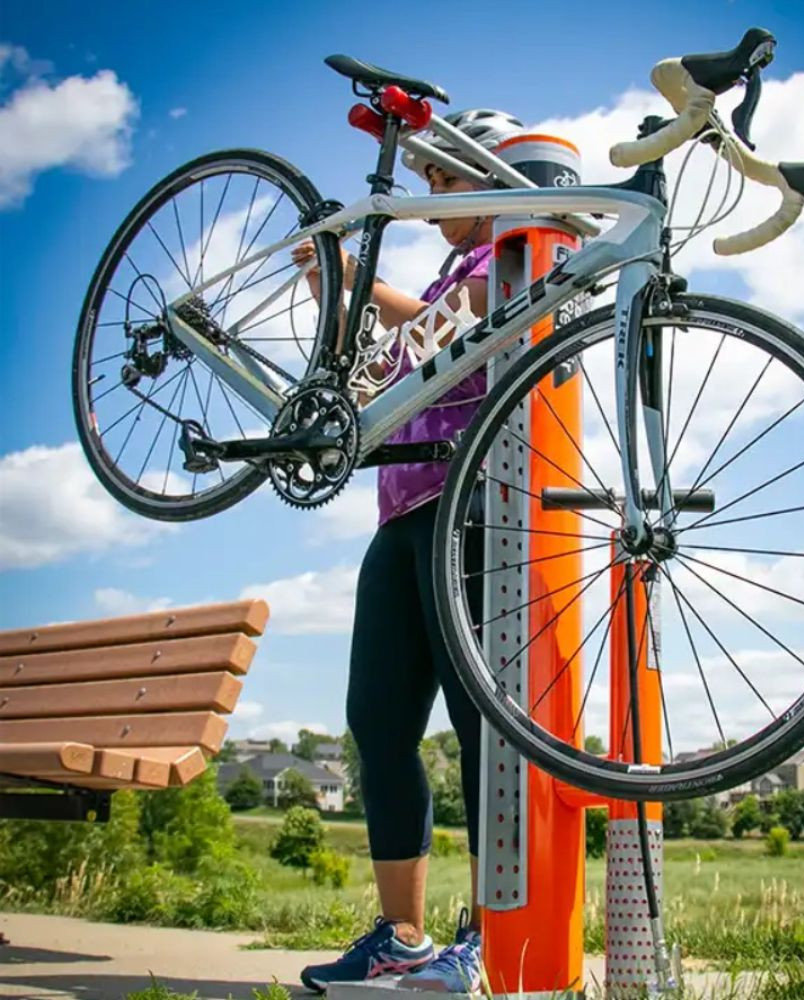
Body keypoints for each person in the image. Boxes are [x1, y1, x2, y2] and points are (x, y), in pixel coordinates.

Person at [294, 109, 524, 995]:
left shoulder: (515, 249)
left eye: (445, 180)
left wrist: (364, 284)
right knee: (378, 722)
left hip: (473, 506)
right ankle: (401, 937)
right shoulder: (442, 272)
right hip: (398, 516)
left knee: (479, 727)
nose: (433, 199)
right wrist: (340, 298)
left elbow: (454, 327)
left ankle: (491, 940)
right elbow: (385, 366)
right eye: (425, 183)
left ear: (492, 174)